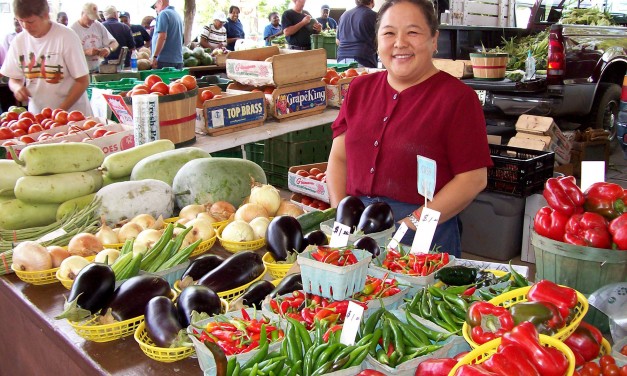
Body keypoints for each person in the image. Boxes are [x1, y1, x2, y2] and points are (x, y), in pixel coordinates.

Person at [326, 0, 493, 257]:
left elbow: (472, 179)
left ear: (434, 39)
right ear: (377, 40)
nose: (400, 43)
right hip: (356, 227)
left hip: (424, 230)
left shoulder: (457, 98)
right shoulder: (359, 89)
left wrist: (412, 223)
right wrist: (341, 215)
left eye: (413, 32)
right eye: (389, 33)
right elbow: (339, 157)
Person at [1, 0, 92, 115]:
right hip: (38, 116)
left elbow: (83, 81)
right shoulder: (19, 41)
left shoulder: (66, 37)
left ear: (45, 15)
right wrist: (17, 88)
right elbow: (13, 78)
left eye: (30, 22)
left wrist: (58, 112)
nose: (25, 27)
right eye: (20, 21)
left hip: (72, 115)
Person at [71, 3, 118, 72]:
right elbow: (70, 53)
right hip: (82, 69)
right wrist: (86, 52)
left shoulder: (98, 25)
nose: (92, 21)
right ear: (82, 14)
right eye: (90, 18)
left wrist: (108, 49)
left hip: (99, 68)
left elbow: (114, 43)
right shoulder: (73, 30)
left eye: (94, 19)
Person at [336, 0, 378, 68]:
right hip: (363, 59)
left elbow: (338, 41)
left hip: (342, 59)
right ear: (372, 1)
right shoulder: (373, 15)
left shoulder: (344, 15)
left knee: (345, 79)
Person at [151, 0, 183, 69]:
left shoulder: (163, 14)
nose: (156, 10)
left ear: (161, 2)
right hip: (177, 60)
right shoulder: (177, 15)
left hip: (164, 61)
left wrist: (155, 56)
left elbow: (162, 37)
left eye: (155, 7)